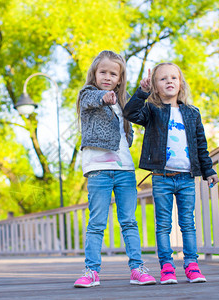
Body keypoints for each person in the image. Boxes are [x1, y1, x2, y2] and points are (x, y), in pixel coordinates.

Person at [123, 62, 219, 284]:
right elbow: (130, 112)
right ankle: (167, 267)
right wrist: (142, 92)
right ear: (156, 86)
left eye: (173, 78)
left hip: (187, 178)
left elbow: (201, 145)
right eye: (163, 79)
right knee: (163, 224)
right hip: (161, 178)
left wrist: (208, 171)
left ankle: (192, 265)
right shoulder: (152, 111)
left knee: (188, 223)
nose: (169, 81)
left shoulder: (192, 113)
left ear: (180, 83)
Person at [74, 50, 156, 288]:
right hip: (98, 169)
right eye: (103, 72)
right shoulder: (88, 93)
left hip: (125, 169)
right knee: (97, 222)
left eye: (113, 73)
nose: (107, 77)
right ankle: (91, 271)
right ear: (95, 74)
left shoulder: (123, 100)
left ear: (120, 78)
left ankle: (137, 269)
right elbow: (92, 100)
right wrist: (103, 98)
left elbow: (136, 109)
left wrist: (143, 92)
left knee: (129, 221)